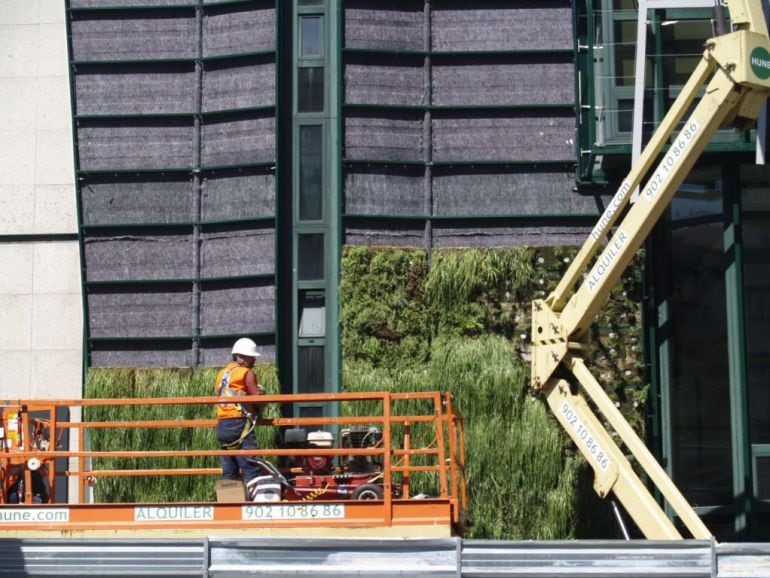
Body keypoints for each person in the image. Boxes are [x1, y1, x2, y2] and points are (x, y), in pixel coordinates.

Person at [214, 337, 263, 483]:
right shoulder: (245, 373)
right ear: (242, 357)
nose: (254, 360)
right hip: (239, 423)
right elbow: (257, 398)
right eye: (252, 357)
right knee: (251, 467)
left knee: (229, 469)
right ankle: (252, 503)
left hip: (223, 425)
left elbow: (218, 393)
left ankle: (229, 500)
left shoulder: (223, 373)